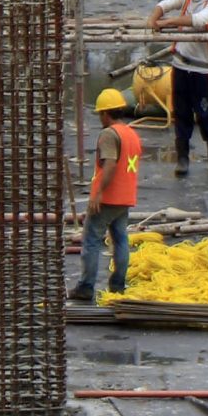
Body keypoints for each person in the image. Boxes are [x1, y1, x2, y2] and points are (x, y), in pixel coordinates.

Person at [147, 0, 208, 176]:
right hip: (181, 67)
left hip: (202, 71)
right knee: (181, 113)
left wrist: (167, 23)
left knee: (206, 114)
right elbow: (164, 5)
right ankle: (182, 159)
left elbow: (197, 21)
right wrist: (155, 17)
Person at [68, 87, 141, 301]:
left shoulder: (109, 134)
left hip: (108, 197)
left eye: (100, 114)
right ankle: (118, 285)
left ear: (106, 113)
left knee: (91, 240)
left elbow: (109, 165)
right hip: (125, 197)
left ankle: (86, 286)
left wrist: (98, 194)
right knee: (120, 239)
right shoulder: (131, 133)